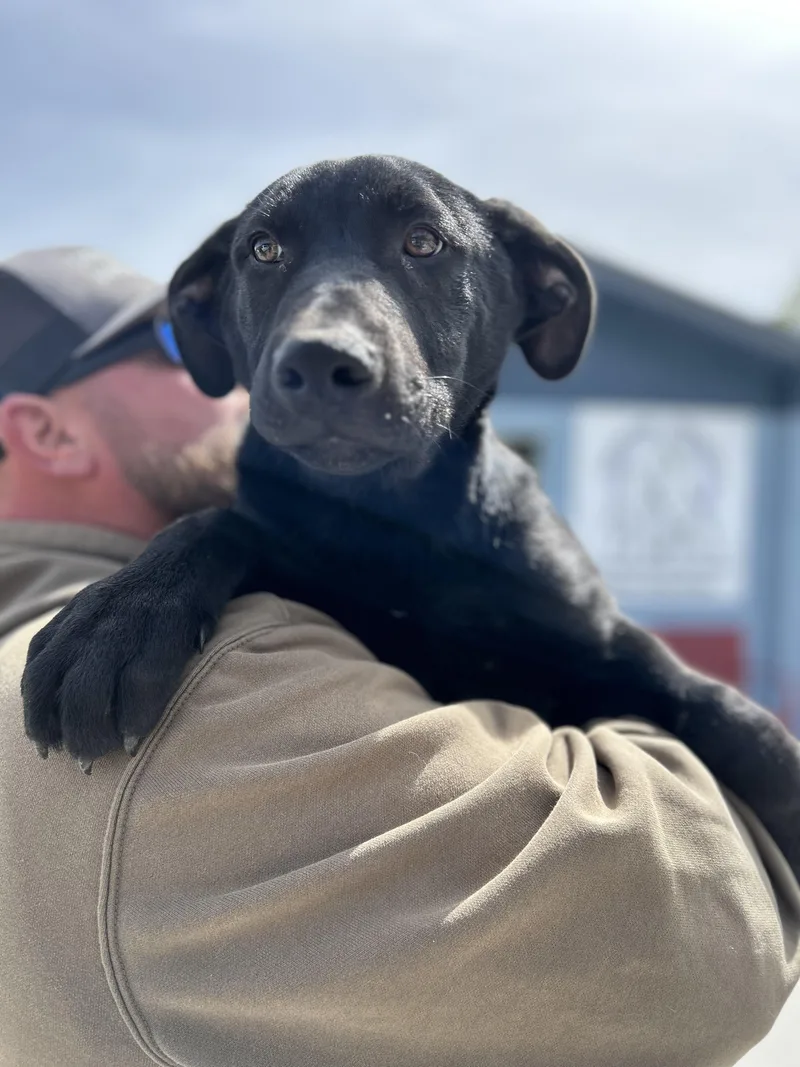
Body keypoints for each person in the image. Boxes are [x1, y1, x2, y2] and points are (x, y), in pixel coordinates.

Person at [0, 248, 797, 1067]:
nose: (258, 364)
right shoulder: (179, 688)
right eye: (179, 342)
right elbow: (697, 952)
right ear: (47, 431)